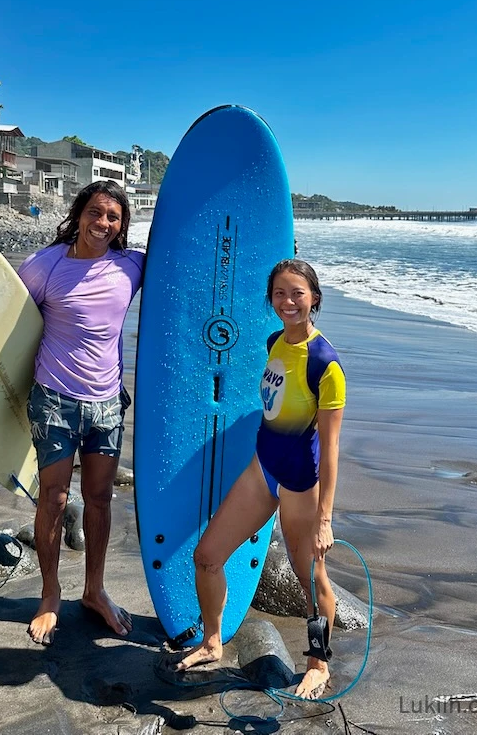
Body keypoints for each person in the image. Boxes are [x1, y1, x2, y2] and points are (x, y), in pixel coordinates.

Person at [0, 180, 144, 647]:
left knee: (101, 499)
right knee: (52, 499)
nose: (103, 223)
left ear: (123, 224)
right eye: (95, 212)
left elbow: (188, 275)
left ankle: (94, 591)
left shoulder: (131, 266)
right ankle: (50, 594)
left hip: (107, 402)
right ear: (78, 213)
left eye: (113, 217)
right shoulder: (44, 266)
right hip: (55, 400)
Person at [169, 258, 346, 700]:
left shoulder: (325, 363)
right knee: (207, 556)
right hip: (261, 469)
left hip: (300, 483)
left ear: (315, 298)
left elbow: (331, 447)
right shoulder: (274, 342)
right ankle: (212, 642)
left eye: (297, 293)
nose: (288, 301)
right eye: (280, 293)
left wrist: (325, 517)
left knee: (310, 577)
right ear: (271, 299)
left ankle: (318, 663)